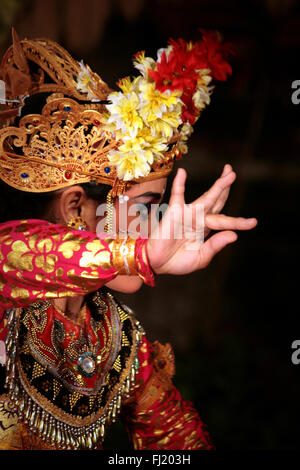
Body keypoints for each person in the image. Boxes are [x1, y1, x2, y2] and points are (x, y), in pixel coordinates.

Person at [0, 29, 257, 450]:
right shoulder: (9, 289)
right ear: (75, 208)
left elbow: (178, 443)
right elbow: (15, 250)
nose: (156, 228)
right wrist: (140, 254)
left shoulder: (117, 338)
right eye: (146, 208)